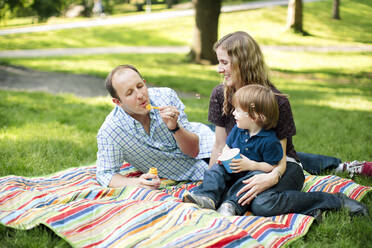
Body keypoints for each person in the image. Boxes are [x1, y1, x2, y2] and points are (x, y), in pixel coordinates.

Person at [206, 31, 368, 217]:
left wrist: (271, 178)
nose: (219, 69)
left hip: (283, 167)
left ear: (243, 62)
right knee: (231, 196)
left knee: (261, 204)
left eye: (224, 63)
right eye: (219, 62)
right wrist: (211, 187)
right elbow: (219, 145)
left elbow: (281, 159)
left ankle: (335, 200)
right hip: (242, 167)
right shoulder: (220, 94)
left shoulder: (276, 100)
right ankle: (308, 209)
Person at [96, 64, 215, 188]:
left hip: (208, 141)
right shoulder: (112, 131)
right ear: (118, 102)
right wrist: (137, 183)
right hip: (195, 172)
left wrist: (175, 127)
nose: (140, 95)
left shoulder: (166, 97)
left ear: (144, 83)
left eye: (140, 86)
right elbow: (105, 173)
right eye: (130, 93)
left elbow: (193, 150)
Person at [184, 85, 284, 216]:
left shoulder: (270, 140)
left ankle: (230, 205)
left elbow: (272, 166)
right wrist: (224, 155)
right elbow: (228, 146)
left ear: (255, 115)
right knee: (215, 170)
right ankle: (207, 197)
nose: (233, 113)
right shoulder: (238, 129)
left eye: (238, 110)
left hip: (249, 175)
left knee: (252, 180)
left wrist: (252, 165)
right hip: (232, 170)